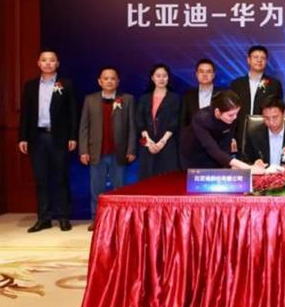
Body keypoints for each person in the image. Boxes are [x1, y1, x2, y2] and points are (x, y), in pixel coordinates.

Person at [18, 50, 78, 233]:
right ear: (38, 63)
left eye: (52, 60)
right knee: (41, 179)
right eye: (44, 60)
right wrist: (22, 137)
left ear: (57, 63)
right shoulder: (30, 86)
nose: (48, 63)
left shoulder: (66, 84)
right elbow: (26, 114)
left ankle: (63, 217)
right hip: (37, 138)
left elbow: (73, 112)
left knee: (61, 178)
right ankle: (43, 218)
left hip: (58, 137)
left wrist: (73, 136)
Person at [79, 67, 136, 220]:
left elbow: (132, 127)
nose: (109, 81)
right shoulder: (90, 99)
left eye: (113, 78)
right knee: (96, 189)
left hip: (119, 152)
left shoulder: (127, 99)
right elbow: (84, 127)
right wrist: (83, 150)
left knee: (120, 189)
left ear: (118, 81)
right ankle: (96, 218)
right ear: (100, 81)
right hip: (96, 152)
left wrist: (131, 149)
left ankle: (121, 219)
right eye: (106, 78)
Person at [179, 90, 266, 173]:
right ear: (217, 112)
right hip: (194, 155)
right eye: (231, 115)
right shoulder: (201, 118)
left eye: (237, 113)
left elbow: (225, 144)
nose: (235, 117)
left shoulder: (231, 118)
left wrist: (230, 165)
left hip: (216, 155)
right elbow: (211, 148)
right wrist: (248, 168)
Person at [229, 45, 283, 150]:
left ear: (266, 61)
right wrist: (231, 136)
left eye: (263, 58)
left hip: (265, 132)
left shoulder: (274, 84)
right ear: (248, 60)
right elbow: (230, 111)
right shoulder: (236, 84)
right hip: (240, 133)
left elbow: (278, 111)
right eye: (256, 57)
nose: (259, 60)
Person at [136, 63, 180, 180]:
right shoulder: (144, 98)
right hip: (147, 145)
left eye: (164, 76)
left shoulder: (174, 98)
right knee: (147, 180)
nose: (161, 79)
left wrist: (162, 142)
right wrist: (148, 142)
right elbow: (139, 121)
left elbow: (174, 121)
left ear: (168, 78)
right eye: (158, 76)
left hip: (167, 143)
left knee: (167, 180)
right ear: (152, 78)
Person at [244, 98, 285, 166]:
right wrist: (254, 164)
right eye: (266, 118)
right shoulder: (254, 135)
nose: (271, 122)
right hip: (262, 172)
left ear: (284, 114)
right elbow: (246, 161)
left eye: (275, 117)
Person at [179, 58, 222, 128]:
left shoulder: (222, 94)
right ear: (196, 74)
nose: (205, 74)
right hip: (193, 134)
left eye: (208, 72)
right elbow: (183, 121)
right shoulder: (188, 95)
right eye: (201, 71)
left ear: (213, 75)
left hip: (216, 134)